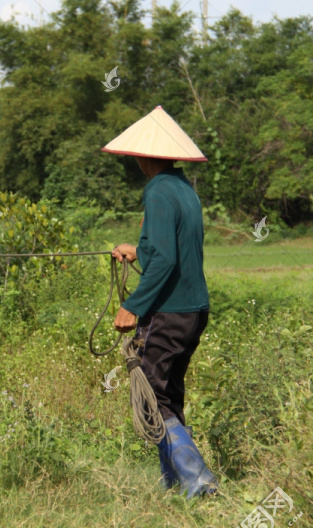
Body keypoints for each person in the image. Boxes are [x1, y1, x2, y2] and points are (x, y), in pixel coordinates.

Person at [101, 106, 217, 498]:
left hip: (168, 311)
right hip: (193, 310)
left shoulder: (157, 190)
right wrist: (139, 250)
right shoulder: (184, 188)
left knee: (149, 393)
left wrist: (132, 305)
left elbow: (167, 260)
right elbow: (170, 248)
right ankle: (174, 482)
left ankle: (198, 481)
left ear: (141, 156)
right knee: (166, 393)